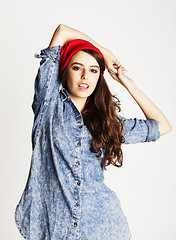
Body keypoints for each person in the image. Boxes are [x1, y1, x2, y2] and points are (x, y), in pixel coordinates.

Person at [14, 24, 172, 240]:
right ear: (64, 71)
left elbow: (163, 126)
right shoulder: (48, 105)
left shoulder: (106, 122)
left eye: (94, 70)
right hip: (56, 227)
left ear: (100, 77)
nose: (85, 76)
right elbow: (61, 31)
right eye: (77, 68)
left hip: (102, 226)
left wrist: (128, 83)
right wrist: (104, 53)